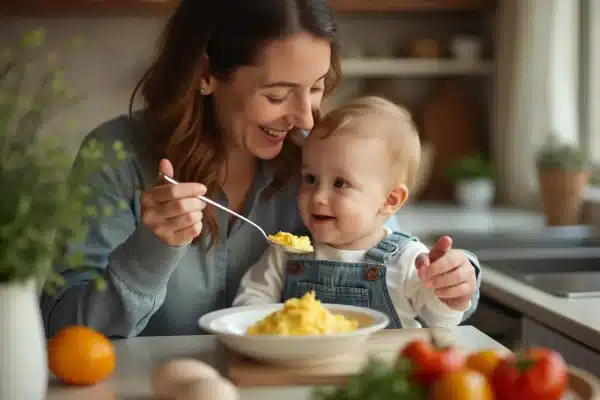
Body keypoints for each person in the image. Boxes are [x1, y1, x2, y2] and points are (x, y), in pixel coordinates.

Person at [41, 0, 480, 338]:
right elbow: (64, 332)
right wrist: (149, 252)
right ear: (206, 73)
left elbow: (399, 266)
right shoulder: (115, 156)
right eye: (276, 96)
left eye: (317, 88)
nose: (306, 119)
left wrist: (453, 284)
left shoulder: (319, 157)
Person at [234, 97, 480, 329]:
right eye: (310, 178)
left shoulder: (409, 260)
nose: (318, 196)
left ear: (389, 200)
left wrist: (450, 296)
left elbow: (440, 319)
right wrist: (262, 326)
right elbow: (252, 300)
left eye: (340, 183)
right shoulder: (287, 254)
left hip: (379, 371)